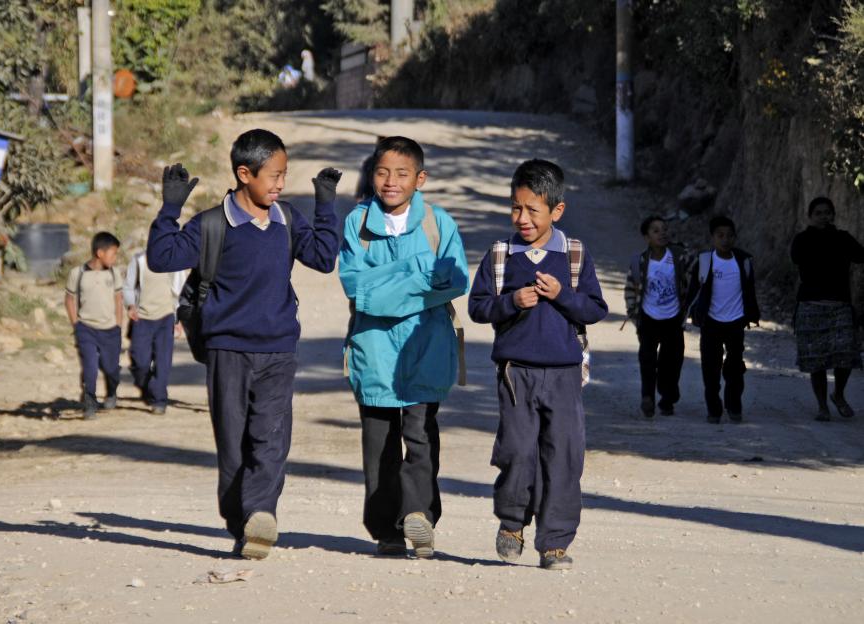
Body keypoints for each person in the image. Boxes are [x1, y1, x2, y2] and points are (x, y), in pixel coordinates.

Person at [146, 129, 342, 559]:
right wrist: (170, 207)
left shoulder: (287, 219)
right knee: (233, 442)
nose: (280, 184)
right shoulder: (212, 224)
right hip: (227, 350)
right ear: (243, 174)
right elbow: (162, 258)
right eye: (273, 175)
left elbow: (324, 258)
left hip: (278, 348)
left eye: (284, 175)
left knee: (271, 437)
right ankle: (242, 524)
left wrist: (326, 204)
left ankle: (260, 514)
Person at [468, 159, 607, 571]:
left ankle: (555, 544)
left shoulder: (574, 255)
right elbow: (478, 308)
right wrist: (511, 302)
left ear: (556, 211)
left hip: (564, 374)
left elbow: (596, 309)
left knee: (563, 456)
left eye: (533, 210)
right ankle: (512, 523)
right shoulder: (500, 255)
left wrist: (563, 294)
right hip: (516, 373)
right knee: (516, 451)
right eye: (516, 208)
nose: (522, 218)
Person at [339, 136, 468, 558]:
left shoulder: (438, 223)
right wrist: (418, 273)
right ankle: (386, 531)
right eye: (381, 172)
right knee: (378, 444)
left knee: (420, 436)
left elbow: (455, 279)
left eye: (401, 173)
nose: (390, 181)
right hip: (373, 347)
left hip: (425, 345)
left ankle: (419, 517)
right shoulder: (357, 222)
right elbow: (355, 288)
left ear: (420, 179)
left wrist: (387, 285)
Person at [790, 197, 864, 421]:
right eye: (819, 213)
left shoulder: (842, 238)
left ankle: (838, 394)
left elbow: (861, 256)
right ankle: (822, 406)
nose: (823, 216)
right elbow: (796, 259)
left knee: (846, 354)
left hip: (840, 306)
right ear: (810, 216)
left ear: (832, 215)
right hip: (810, 307)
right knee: (816, 360)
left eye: (827, 212)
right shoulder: (802, 240)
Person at [684, 216, 760, 424]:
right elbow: (693, 291)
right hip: (711, 323)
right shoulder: (705, 261)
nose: (725, 240)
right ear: (712, 238)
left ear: (735, 237)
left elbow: (749, 291)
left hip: (736, 322)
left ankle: (734, 405)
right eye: (720, 236)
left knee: (735, 367)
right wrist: (689, 314)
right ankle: (714, 409)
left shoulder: (743, 261)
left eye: (729, 236)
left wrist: (752, 314)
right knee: (710, 369)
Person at [624, 216, 692, 418]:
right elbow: (630, 289)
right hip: (648, 319)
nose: (662, 233)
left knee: (673, 361)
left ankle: (667, 397)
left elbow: (695, 276)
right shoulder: (640, 262)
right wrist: (634, 315)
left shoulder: (679, 256)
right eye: (655, 230)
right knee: (647, 360)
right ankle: (648, 398)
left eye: (664, 229)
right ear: (646, 237)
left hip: (673, 319)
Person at [64, 231, 124, 420]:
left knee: (111, 367)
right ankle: (90, 402)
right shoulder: (78, 274)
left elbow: (118, 299)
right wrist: (76, 324)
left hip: (110, 330)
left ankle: (112, 391)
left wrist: (118, 325)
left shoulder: (114, 274)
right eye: (113, 254)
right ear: (100, 253)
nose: (115, 258)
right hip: (86, 329)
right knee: (90, 367)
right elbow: (69, 299)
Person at [122, 248, 187, 415]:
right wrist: (130, 305)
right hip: (141, 318)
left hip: (165, 318)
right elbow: (128, 286)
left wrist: (177, 320)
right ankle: (148, 387)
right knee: (139, 360)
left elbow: (179, 292)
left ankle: (159, 400)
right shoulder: (139, 260)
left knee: (163, 362)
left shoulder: (174, 262)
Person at [355, 136, 386, 203]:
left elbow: (363, 179)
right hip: (373, 194)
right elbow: (363, 178)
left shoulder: (370, 161)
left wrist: (359, 195)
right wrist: (359, 194)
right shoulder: (370, 161)